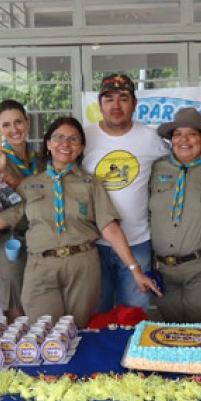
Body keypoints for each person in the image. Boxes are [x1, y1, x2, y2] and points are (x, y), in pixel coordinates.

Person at [0, 117, 161, 327]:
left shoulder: (91, 183)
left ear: (81, 149)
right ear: (48, 144)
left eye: (73, 139)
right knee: (43, 334)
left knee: (80, 332)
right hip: (41, 268)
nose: (65, 144)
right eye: (58, 137)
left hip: (82, 266)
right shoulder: (30, 184)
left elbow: (109, 228)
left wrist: (135, 271)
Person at [82, 74, 169, 313]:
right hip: (93, 244)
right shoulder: (84, 138)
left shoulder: (150, 138)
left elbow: (183, 162)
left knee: (134, 316)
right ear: (100, 105)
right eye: (109, 99)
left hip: (138, 242)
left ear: (134, 104)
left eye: (123, 98)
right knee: (97, 315)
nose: (116, 106)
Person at [149, 108, 201, 323]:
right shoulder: (156, 169)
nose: (184, 140)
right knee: (170, 338)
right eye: (177, 134)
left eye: (192, 134)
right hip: (164, 272)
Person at [0, 100, 45, 322]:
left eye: (18, 122)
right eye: (6, 125)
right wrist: (2, 170)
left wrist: (17, 182)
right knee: (15, 307)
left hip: (42, 237)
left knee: (42, 303)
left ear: (28, 123)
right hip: (13, 239)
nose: (14, 130)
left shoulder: (42, 160)